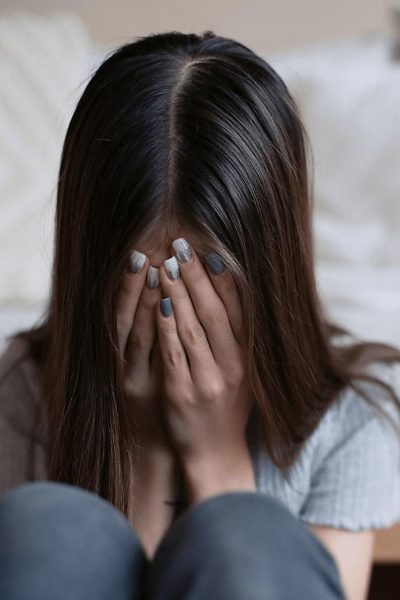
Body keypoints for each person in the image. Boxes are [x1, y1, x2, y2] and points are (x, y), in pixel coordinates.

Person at [0, 30, 399, 600]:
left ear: (270, 275)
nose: (177, 328)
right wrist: (139, 448)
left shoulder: (349, 421)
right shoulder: (22, 394)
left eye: (203, 293)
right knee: (50, 524)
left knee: (249, 537)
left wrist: (215, 459)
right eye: (149, 293)